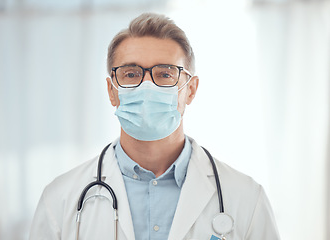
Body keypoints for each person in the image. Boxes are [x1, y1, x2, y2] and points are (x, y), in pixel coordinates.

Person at [29, 13, 280, 240]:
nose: (147, 85)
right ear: (112, 91)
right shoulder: (60, 200)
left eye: (165, 73)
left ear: (190, 90)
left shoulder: (246, 198)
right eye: (131, 74)